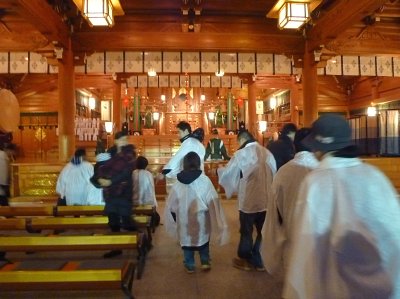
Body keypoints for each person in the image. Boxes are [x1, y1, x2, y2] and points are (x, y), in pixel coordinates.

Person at [284, 114, 400, 299]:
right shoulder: (375, 176)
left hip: (335, 286)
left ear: (319, 148)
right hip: (382, 284)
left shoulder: (315, 183)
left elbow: (306, 246)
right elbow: (394, 234)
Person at [218, 130, 276, 271]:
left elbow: (229, 173)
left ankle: (245, 259)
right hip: (266, 199)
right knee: (263, 231)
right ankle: (259, 259)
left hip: (249, 201)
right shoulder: (267, 153)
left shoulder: (241, 154)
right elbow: (274, 172)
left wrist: (219, 171)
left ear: (242, 139)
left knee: (246, 230)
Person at [263, 128, 319, 275]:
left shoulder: (283, 172)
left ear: (294, 146)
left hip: (292, 238)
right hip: (322, 243)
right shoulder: (323, 169)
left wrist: (272, 248)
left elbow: (273, 213)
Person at [164, 151, 229, 273]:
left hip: (184, 220)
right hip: (201, 220)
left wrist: (174, 217)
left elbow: (171, 204)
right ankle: (205, 261)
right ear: (198, 164)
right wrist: (215, 217)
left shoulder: (178, 183)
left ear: (185, 164)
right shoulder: (204, 180)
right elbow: (213, 200)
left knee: (187, 242)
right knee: (203, 241)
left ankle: (190, 264)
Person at [96, 131, 137, 258]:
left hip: (124, 192)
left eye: (126, 139)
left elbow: (126, 172)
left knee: (127, 221)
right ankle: (116, 247)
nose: (124, 142)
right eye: (122, 139)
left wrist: (110, 181)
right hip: (110, 193)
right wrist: (100, 179)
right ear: (116, 141)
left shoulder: (130, 154)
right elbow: (101, 167)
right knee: (113, 221)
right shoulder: (110, 154)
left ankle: (142, 240)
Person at [159, 121, 205, 188]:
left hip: (191, 179)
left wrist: (164, 172)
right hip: (199, 176)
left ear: (186, 131)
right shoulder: (196, 142)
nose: (178, 135)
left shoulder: (189, 143)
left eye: (179, 132)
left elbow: (177, 158)